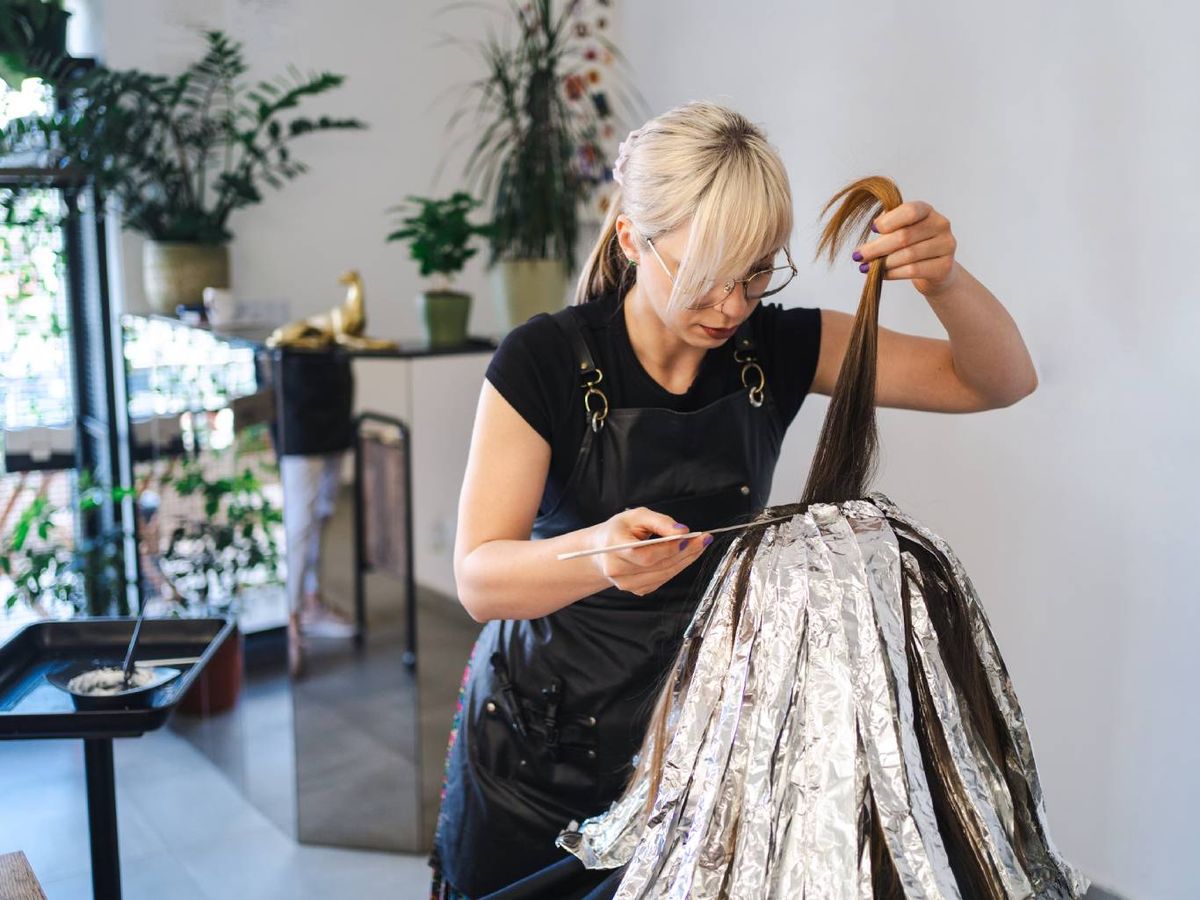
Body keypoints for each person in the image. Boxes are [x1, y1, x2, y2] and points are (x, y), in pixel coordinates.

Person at [430, 101, 1038, 899]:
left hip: (695, 753)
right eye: (704, 277)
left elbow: (998, 381)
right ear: (629, 240)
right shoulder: (542, 360)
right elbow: (480, 578)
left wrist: (945, 280)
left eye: (755, 274)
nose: (730, 307)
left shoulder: (776, 348)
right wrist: (599, 556)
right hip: (539, 756)